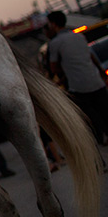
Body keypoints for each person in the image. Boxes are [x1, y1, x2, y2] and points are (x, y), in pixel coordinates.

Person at [46, 10, 108, 145]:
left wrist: (65, 71)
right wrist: (101, 72)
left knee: (90, 120)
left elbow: (54, 68)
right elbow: (91, 56)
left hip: (78, 87)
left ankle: (100, 143)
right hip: (96, 82)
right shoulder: (79, 37)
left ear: (53, 24)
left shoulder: (55, 43)